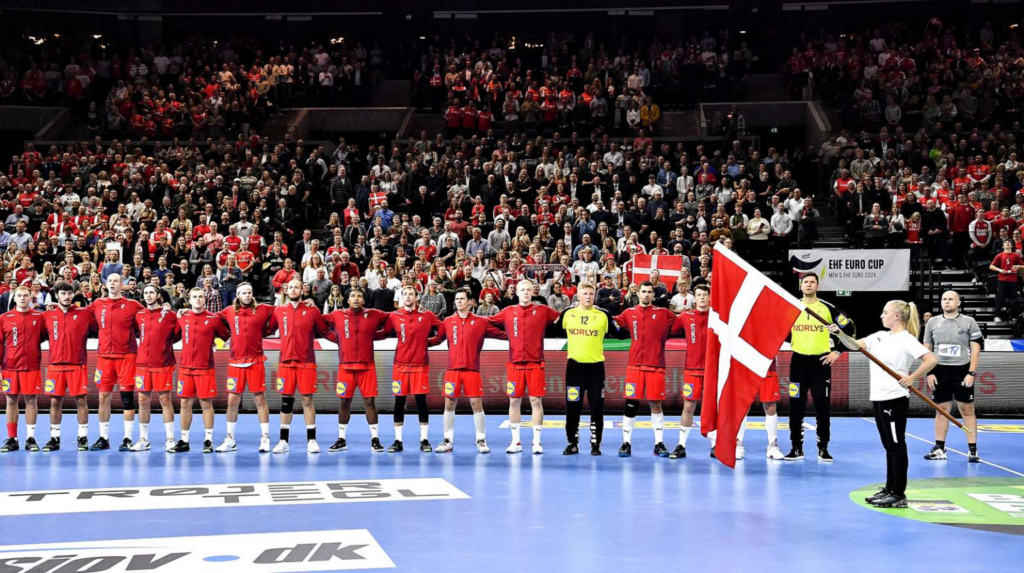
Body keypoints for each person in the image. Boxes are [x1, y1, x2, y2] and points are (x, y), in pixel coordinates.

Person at [835, 300, 937, 509]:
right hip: (879, 397)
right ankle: (890, 488)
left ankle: (898, 493)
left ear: (897, 316)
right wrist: (839, 333)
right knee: (888, 446)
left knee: (896, 445)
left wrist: (911, 378)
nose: (881, 316)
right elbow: (854, 345)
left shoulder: (906, 339)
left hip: (894, 398)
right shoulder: (879, 336)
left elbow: (931, 359)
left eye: (885, 312)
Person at [785, 273, 855, 462]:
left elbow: (850, 329)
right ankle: (796, 448)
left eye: (812, 282)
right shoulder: (793, 306)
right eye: (805, 282)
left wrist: (837, 351)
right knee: (795, 406)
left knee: (821, 407)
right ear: (800, 286)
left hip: (820, 363)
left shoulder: (827, 308)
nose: (808, 285)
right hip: (798, 362)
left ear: (817, 285)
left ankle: (823, 448)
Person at [487, 279, 562, 454]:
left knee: (536, 401)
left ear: (533, 292)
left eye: (529, 289)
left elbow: (563, 317)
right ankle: (516, 442)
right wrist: (504, 335)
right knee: (514, 401)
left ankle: (536, 442)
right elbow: (487, 322)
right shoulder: (508, 311)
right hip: (514, 364)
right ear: (517, 292)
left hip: (536, 364)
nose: (526, 292)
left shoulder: (543, 310)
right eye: (522, 290)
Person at [613, 281, 685, 457]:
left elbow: (681, 324)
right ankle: (626, 443)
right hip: (635, 366)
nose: (646, 294)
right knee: (631, 405)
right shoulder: (628, 313)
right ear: (638, 293)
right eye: (643, 291)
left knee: (656, 404)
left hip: (656, 366)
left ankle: (659, 443)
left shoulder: (664, 313)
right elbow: (612, 324)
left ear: (653, 294)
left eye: (649, 292)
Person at [430, 289, 506, 453]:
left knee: (476, 404)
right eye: (457, 299)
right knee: (449, 404)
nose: (459, 301)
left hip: (472, 369)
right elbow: (437, 339)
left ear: (470, 302)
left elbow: (501, 335)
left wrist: (521, 335)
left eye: (462, 298)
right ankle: (447, 440)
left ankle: (481, 440)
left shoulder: (480, 322)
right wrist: (419, 342)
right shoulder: (448, 321)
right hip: (452, 370)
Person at [376, 286, 443, 453]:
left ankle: (424, 440)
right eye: (405, 294)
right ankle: (398, 440)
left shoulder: (427, 315)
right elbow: (384, 333)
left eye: (411, 294)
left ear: (416, 297)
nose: (407, 297)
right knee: (399, 402)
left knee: (421, 402)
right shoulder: (394, 316)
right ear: (401, 297)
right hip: (400, 365)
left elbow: (443, 329)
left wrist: (429, 342)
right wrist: (365, 336)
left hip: (420, 365)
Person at [269, 279, 331, 454]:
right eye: (290, 287)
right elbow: (266, 329)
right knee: (286, 401)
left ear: (302, 290)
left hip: (306, 362)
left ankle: (311, 440)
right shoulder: (279, 311)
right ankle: (283, 441)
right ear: (285, 290)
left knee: (307, 400)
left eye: (297, 287)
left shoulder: (312, 310)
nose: (293, 290)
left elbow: (325, 330)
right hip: (285, 362)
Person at [324, 288, 389, 453]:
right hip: (345, 367)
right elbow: (318, 322)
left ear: (364, 301)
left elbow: (393, 318)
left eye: (359, 296)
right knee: (344, 402)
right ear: (347, 300)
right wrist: (337, 338)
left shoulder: (374, 314)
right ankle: (341, 439)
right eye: (353, 296)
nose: (356, 298)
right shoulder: (337, 314)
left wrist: (378, 335)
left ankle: (375, 439)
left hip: (367, 367)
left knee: (370, 402)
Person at [216, 283, 277, 453]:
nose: (247, 295)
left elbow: (283, 311)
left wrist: (268, 330)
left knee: (260, 400)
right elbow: (210, 318)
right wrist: (184, 311)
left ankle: (265, 437)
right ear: (238, 295)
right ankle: (230, 439)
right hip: (235, 362)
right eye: (244, 293)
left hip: (256, 361)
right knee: (232, 401)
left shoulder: (263, 309)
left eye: (250, 292)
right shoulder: (229, 311)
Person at [922, 291, 983, 462]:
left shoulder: (969, 322)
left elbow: (976, 349)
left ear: (958, 303)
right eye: (944, 299)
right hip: (939, 370)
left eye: (950, 299)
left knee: (967, 410)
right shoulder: (932, 322)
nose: (947, 302)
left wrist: (971, 373)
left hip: (962, 370)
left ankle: (972, 449)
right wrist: (929, 372)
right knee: (941, 410)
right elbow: (926, 349)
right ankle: (939, 448)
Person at [559, 282, 617, 456]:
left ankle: (595, 444)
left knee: (597, 406)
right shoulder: (568, 314)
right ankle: (572, 443)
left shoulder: (603, 315)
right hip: (574, 368)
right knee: (573, 406)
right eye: (585, 293)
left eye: (591, 294)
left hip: (595, 368)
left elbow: (620, 332)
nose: (588, 296)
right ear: (578, 295)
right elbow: (550, 330)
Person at [170, 288, 230, 453]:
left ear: (205, 299)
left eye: (200, 297)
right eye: (194, 297)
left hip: (205, 368)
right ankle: (184, 440)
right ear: (189, 300)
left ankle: (208, 440)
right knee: (184, 403)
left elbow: (225, 336)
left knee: (206, 403)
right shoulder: (182, 317)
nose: (197, 299)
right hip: (185, 368)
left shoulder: (213, 319)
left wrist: (214, 342)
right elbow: (174, 336)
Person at [89, 274, 145, 451]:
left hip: (127, 357)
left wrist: (168, 309)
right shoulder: (97, 304)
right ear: (106, 284)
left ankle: (127, 438)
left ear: (122, 285)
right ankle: (103, 438)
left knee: (127, 398)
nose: (112, 283)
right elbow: (79, 314)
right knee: (103, 397)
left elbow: (150, 316)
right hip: (104, 357)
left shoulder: (133, 305)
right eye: (110, 281)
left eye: (116, 281)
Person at [40, 282, 97, 452]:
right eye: (63, 293)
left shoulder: (84, 313)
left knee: (81, 400)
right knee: (55, 401)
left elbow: (105, 323)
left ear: (73, 295)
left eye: (69, 293)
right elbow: (38, 337)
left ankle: (82, 437)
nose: (66, 296)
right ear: (57, 295)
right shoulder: (47, 315)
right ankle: (54, 438)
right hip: (55, 365)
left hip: (77, 364)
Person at [132, 285, 181, 452]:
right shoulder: (139, 315)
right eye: (145, 293)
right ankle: (143, 439)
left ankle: (170, 439)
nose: (148, 295)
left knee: (165, 400)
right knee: (142, 401)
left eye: (151, 292)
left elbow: (176, 335)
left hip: (163, 364)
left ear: (159, 295)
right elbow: (137, 332)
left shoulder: (170, 315)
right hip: (142, 364)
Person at [0, 287, 45, 452]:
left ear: (31, 298)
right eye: (19, 295)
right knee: (11, 400)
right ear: (14, 298)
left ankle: (30, 438)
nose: (22, 298)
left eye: (26, 295)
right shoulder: (4, 318)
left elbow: (44, 336)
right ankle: (12, 439)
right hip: (9, 366)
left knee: (31, 401)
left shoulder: (39, 317)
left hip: (31, 366)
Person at [670, 284, 709, 459]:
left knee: (713, 407)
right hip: (691, 370)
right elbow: (670, 330)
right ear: (695, 298)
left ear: (709, 297)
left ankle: (715, 446)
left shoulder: (717, 317)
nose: (702, 298)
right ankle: (681, 445)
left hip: (712, 371)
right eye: (699, 295)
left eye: (704, 295)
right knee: (688, 406)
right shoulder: (686, 316)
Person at [989, 240, 1023, 323]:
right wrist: (1000, 270)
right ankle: (997, 315)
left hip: (1013, 280)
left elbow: (1023, 265)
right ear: (1003, 246)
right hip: (1002, 279)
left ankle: (1013, 316)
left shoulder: (1015, 255)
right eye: (1005, 243)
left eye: (1009, 243)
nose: (1007, 244)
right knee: (1000, 297)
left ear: (1011, 246)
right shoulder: (1000, 255)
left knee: (1013, 298)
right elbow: (991, 266)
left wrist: (1018, 266)